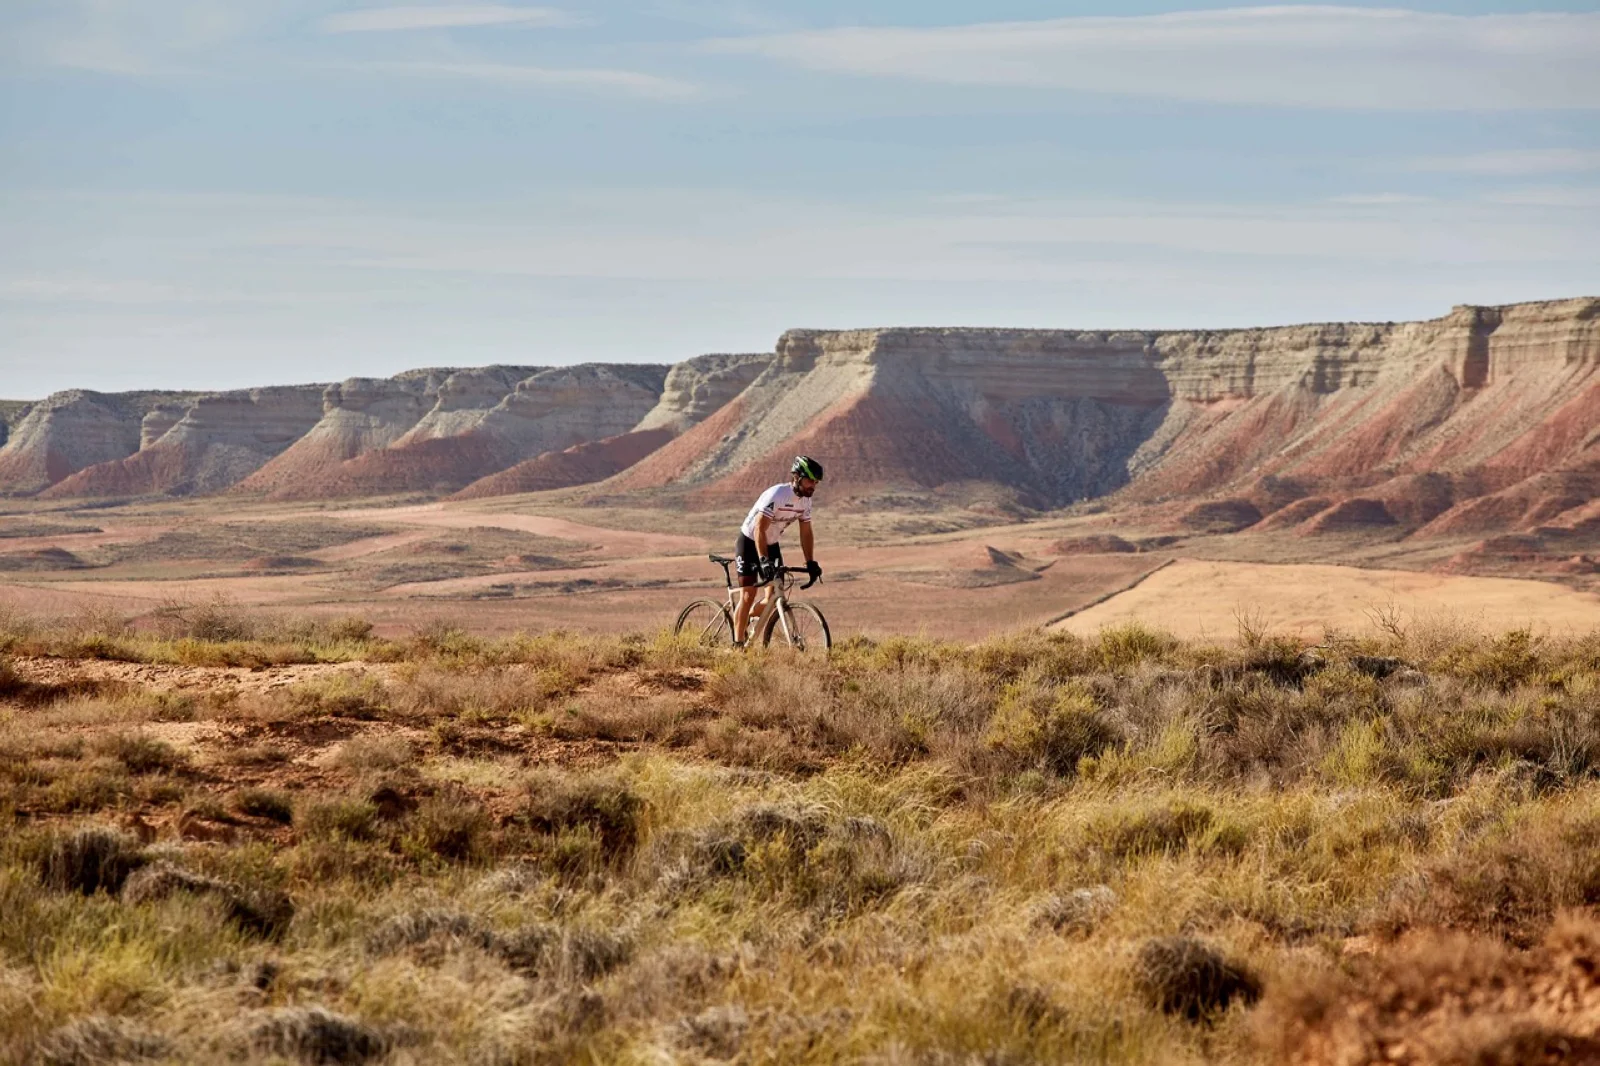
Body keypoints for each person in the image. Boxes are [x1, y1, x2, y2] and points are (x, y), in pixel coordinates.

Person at [733, 455, 824, 645]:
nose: (813, 486)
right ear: (797, 477)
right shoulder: (777, 495)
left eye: (816, 482)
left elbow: (806, 533)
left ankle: (741, 616)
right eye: (809, 481)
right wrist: (763, 559)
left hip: (772, 545)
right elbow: (759, 529)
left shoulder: (805, 502)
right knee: (748, 595)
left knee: (773, 597)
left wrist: (810, 562)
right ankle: (737, 644)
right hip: (750, 543)